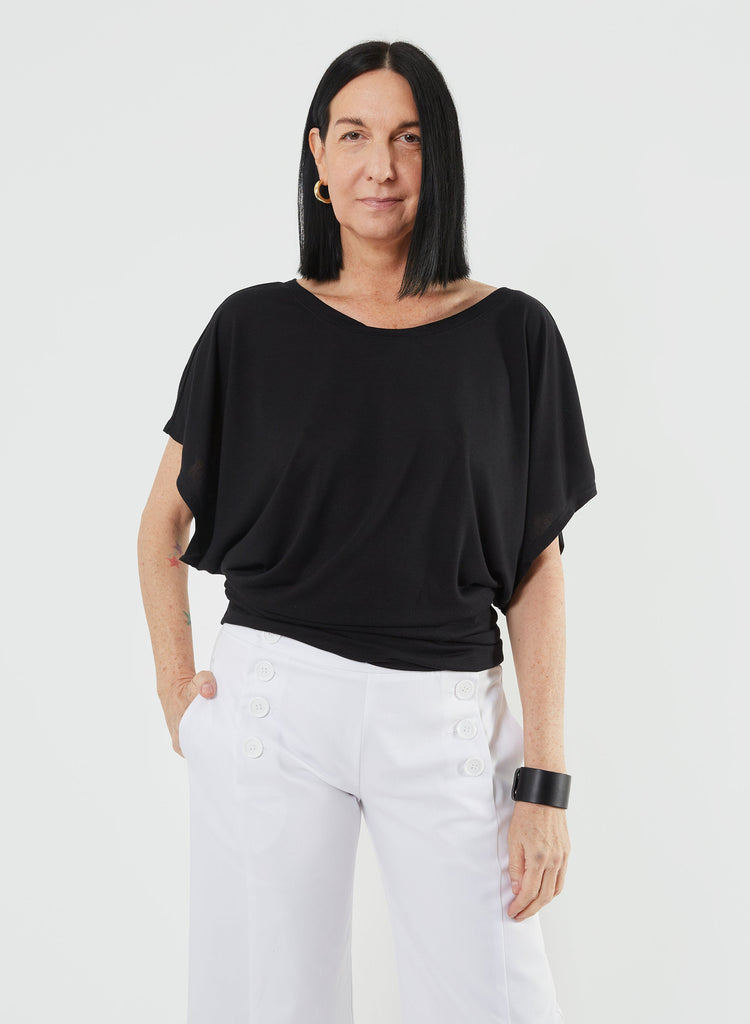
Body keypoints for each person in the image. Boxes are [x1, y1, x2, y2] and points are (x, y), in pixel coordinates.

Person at [137, 38, 597, 1024]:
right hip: (273, 703)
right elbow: (161, 522)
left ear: (441, 156)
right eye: (353, 136)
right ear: (318, 155)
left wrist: (545, 781)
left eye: (408, 138)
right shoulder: (250, 329)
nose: (379, 166)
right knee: (264, 1004)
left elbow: (537, 567)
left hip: (447, 715)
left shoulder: (513, 335)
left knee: (500, 1001)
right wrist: (178, 691)